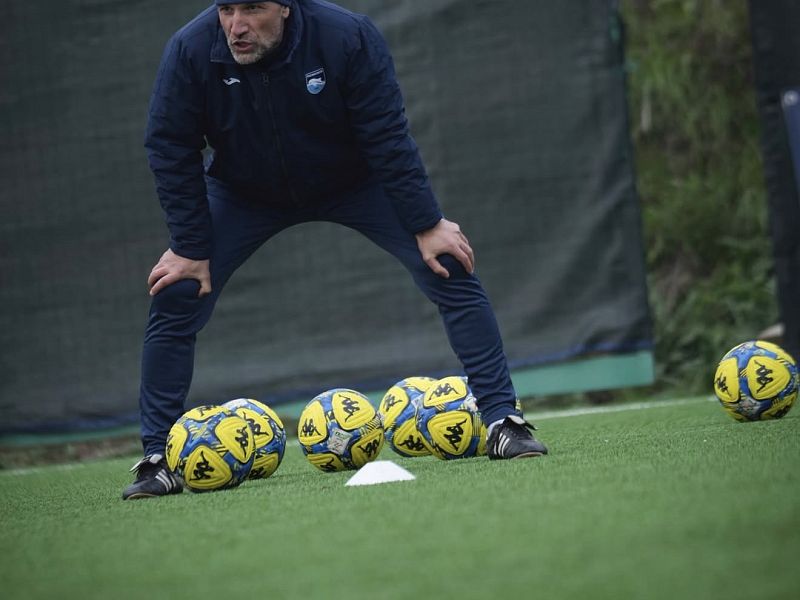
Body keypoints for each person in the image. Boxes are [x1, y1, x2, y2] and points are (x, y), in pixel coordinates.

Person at [123, 0, 547, 500]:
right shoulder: (190, 49)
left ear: (284, 7)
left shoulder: (346, 36)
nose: (236, 26)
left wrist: (426, 223)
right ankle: (158, 457)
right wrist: (190, 247)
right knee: (177, 289)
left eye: (253, 9)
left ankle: (502, 420)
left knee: (448, 263)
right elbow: (168, 145)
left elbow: (386, 134)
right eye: (227, 9)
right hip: (243, 191)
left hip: (353, 182)